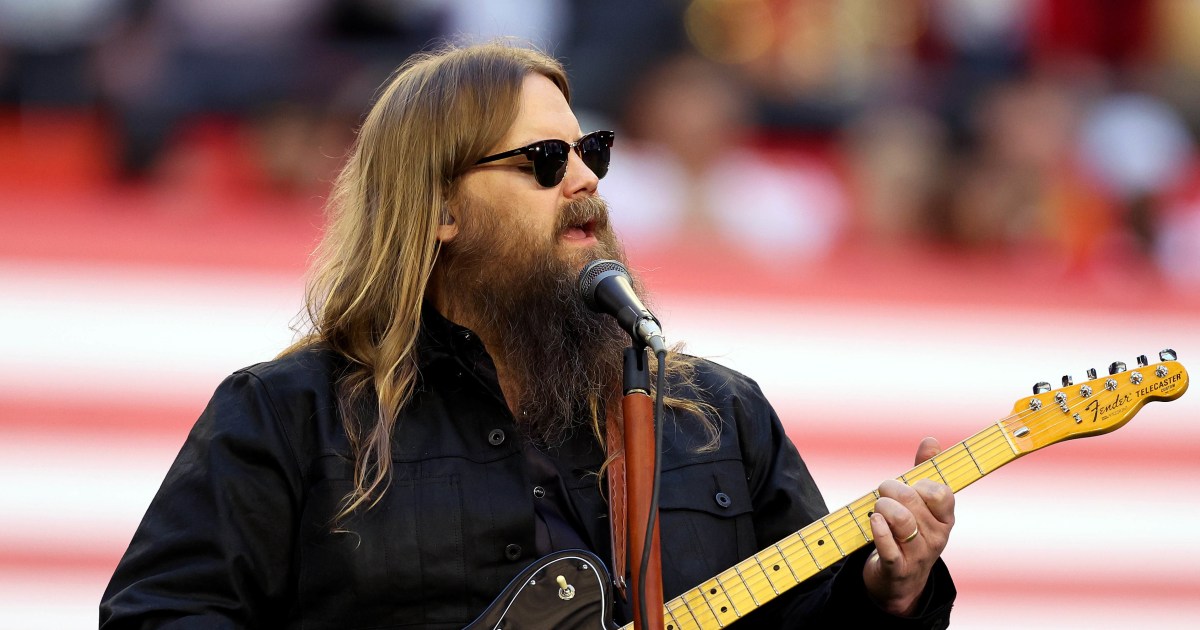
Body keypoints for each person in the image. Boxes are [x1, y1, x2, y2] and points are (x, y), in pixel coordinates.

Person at [100, 42, 956, 629]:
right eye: (545, 160)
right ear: (436, 209)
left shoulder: (715, 413)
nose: (584, 178)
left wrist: (890, 588)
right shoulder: (288, 415)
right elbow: (158, 615)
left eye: (590, 150)